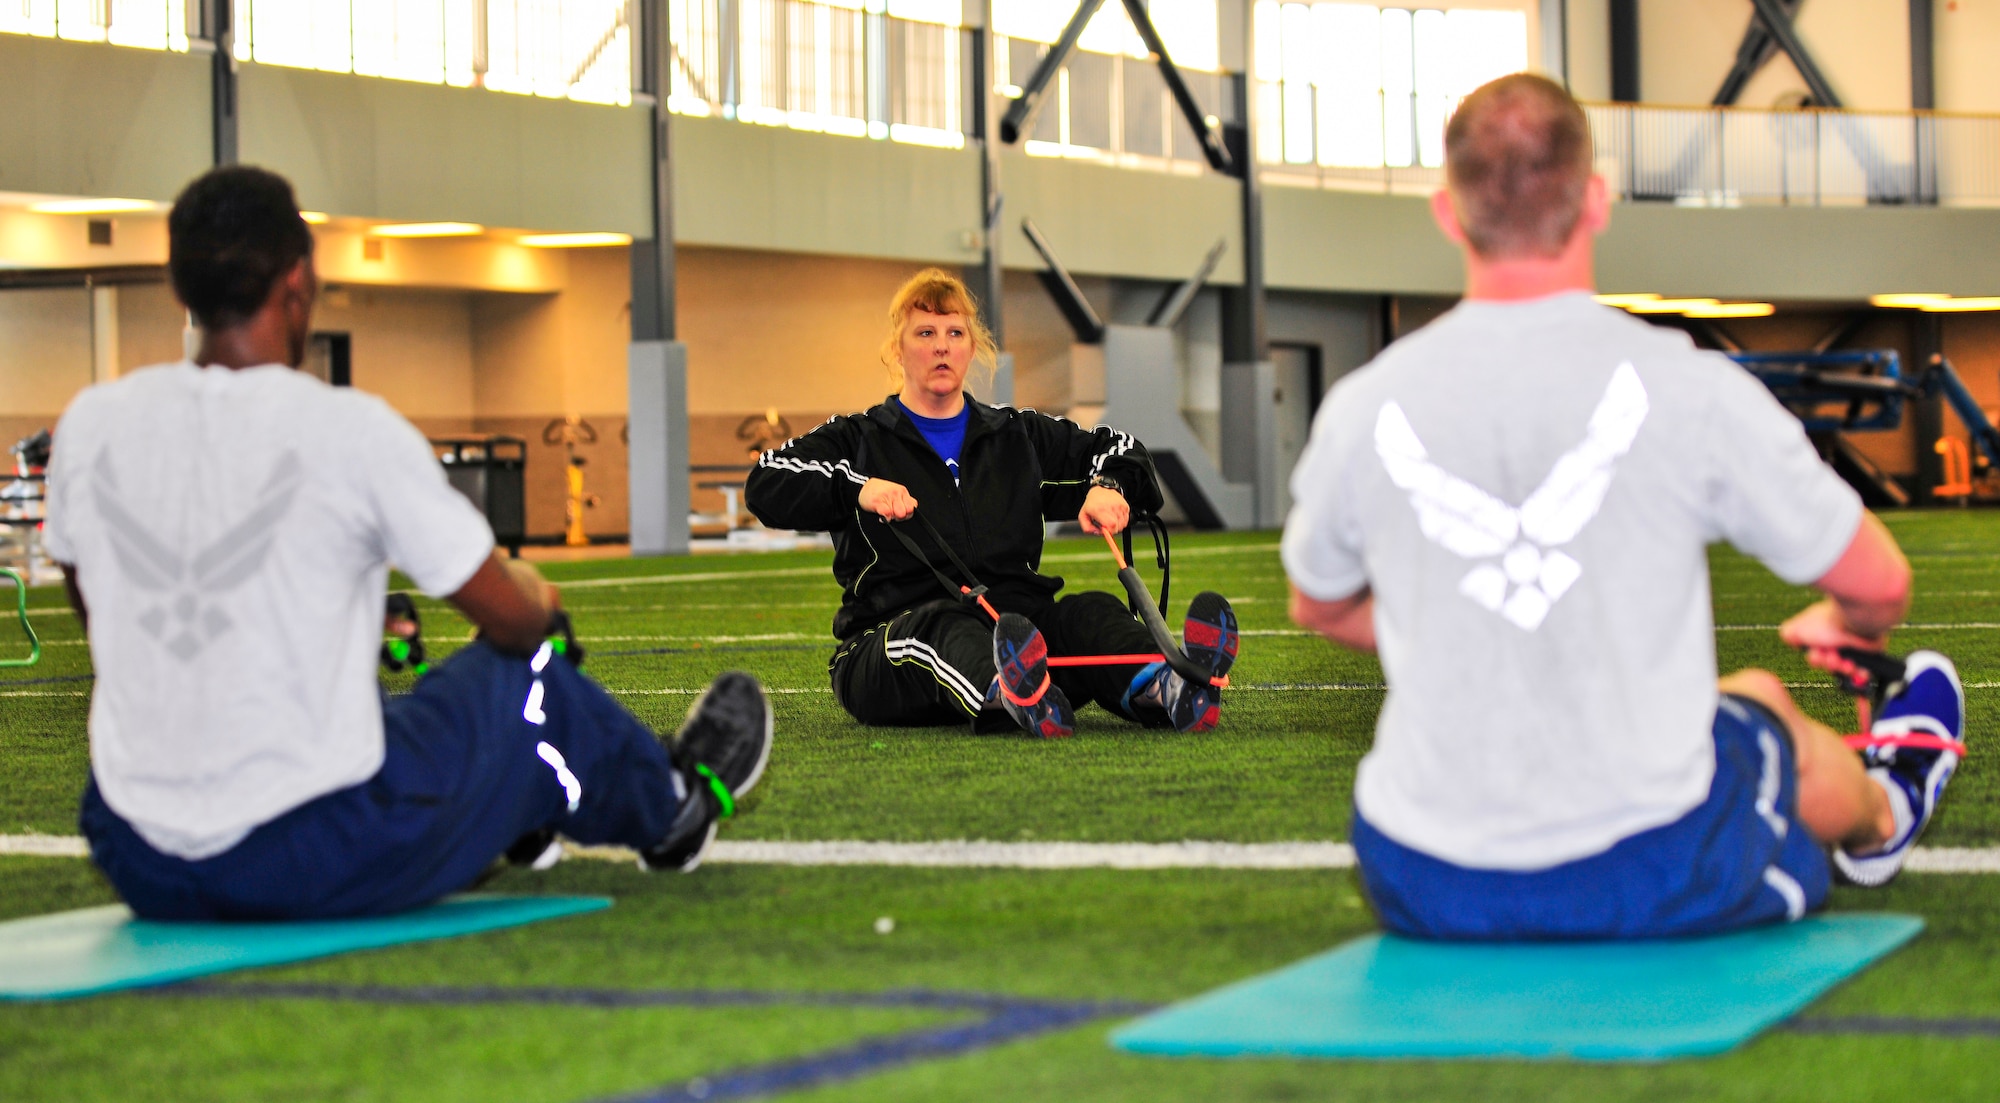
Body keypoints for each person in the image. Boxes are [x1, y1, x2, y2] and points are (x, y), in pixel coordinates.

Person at [1282, 74, 1963, 940]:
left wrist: (1468, 627)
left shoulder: (1361, 407)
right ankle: (1886, 811)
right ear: (1597, 199)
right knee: (1767, 719)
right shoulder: (1689, 387)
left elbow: (1319, 603)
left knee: (1744, 694)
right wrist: (1848, 624)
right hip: (1649, 869)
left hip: (1424, 877)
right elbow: (1880, 583)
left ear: (1447, 213)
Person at [45, 166, 773, 920]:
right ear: (298, 281)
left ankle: (521, 807)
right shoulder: (347, 428)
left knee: (387, 719)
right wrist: (533, 592)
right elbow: (514, 622)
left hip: (136, 853)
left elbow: (108, 618)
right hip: (307, 854)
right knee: (530, 678)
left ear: (177, 284)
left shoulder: (92, 424)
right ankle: (673, 807)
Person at [745, 268, 1239, 738]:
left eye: (955, 333)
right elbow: (766, 480)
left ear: (972, 347)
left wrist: (1109, 485)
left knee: (1089, 612)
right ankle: (1011, 693)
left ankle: (1173, 688)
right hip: (888, 646)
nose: (942, 345)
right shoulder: (856, 439)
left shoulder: (1017, 433)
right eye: (925, 333)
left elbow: (1124, 450)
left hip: (1020, 632)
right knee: (941, 626)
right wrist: (857, 488)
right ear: (897, 349)